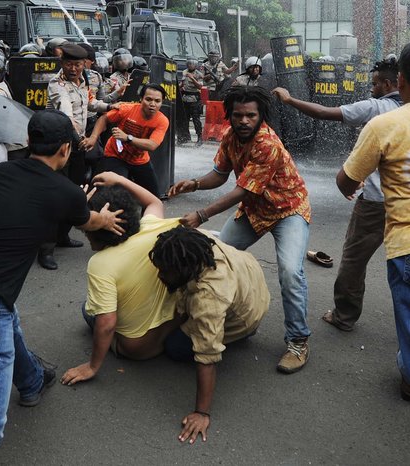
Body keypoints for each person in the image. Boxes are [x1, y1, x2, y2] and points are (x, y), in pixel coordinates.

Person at [0, 110, 125, 465]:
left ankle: (32, 381)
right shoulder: (66, 192)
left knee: (7, 317)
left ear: (30, 142)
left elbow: (41, 201)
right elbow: (89, 220)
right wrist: (104, 217)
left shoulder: (2, 172)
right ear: (65, 149)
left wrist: (69, 198)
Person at [168, 86, 312, 374]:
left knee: (289, 272)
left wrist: (201, 214)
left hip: (288, 210)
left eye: (250, 116)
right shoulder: (231, 136)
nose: (244, 121)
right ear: (230, 115)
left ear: (260, 116)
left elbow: (241, 191)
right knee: (215, 254)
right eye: (238, 115)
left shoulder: (267, 144)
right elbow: (220, 175)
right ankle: (235, 319)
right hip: (254, 210)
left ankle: (298, 342)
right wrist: (194, 183)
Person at [273, 57, 401, 332]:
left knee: (355, 259)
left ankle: (344, 316)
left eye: (376, 83)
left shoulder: (377, 109)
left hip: (377, 203)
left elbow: (322, 113)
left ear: (393, 83)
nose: (371, 87)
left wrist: (290, 100)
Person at [336, 42, 410, 402]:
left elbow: (345, 180)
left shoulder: (384, 121)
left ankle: (345, 316)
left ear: (398, 79)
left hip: (397, 226)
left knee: (354, 259)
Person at [149, 225, 270, 444]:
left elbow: (207, 356)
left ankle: (241, 335)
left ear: (186, 268)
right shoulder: (198, 241)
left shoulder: (209, 299)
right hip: (251, 280)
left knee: (175, 347)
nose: (160, 274)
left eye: (165, 270)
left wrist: (201, 412)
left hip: (246, 317)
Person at [60, 172, 180, 386]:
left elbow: (107, 324)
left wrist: (92, 366)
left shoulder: (101, 264)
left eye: (86, 231)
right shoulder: (152, 228)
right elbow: (153, 201)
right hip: (170, 323)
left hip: (137, 347)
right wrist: (118, 179)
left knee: (88, 310)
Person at [42, 43, 115, 270]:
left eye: (77, 64)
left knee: (75, 192)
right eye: (68, 64)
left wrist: (112, 106)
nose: (73, 69)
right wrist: (78, 138)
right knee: (55, 197)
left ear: (85, 64)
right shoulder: (57, 84)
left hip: (77, 146)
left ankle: (63, 236)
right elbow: (65, 113)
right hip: (58, 147)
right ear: (62, 63)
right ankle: (45, 249)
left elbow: (90, 104)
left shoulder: (83, 82)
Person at [81, 83, 169, 197]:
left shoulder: (162, 121)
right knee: (113, 192)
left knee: (154, 197)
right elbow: (104, 119)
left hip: (139, 159)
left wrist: (127, 138)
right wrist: (93, 138)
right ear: (141, 99)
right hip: (115, 155)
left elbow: (152, 145)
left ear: (162, 102)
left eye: (157, 101)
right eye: (148, 99)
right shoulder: (127, 109)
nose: (152, 104)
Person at [180, 58, 204, 145]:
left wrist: (193, 78)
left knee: (196, 119)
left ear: (195, 65)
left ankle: (200, 138)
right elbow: (182, 83)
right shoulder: (184, 72)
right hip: (185, 98)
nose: (190, 65)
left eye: (192, 64)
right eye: (189, 64)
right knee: (184, 120)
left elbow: (200, 87)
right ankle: (185, 137)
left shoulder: (199, 74)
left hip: (194, 99)